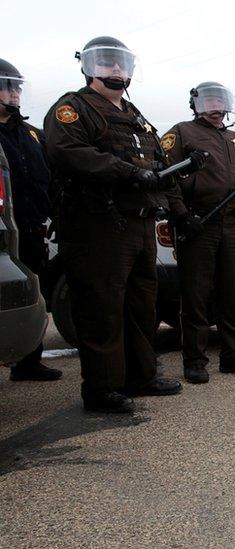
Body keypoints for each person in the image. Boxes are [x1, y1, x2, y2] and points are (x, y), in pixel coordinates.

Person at [44, 36, 185, 412]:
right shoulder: (73, 109)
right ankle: (101, 389)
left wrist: (166, 176)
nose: (116, 70)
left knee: (142, 305)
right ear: (90, 67)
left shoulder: (135, 113)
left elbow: (154, 157)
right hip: (97, 225)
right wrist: (129, 173)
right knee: (102, 306)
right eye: (107, 63)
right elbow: (69, 153)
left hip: (138, 223)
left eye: (120, 63)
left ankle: (141, 375)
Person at [163, 81, 235, 384]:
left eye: (219, 103)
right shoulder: (182, 132)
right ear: (196, 104)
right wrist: (181, 215)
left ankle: (232, 354)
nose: (215, 109)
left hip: (232, 225)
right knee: (196, 295)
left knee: (230, 293)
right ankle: (194, 360)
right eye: (208, 103)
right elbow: (168, 179)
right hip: (199, 224)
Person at [0, 58, 61, 381]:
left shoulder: (32, 135)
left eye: (16, 87)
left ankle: (29, 360)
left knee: (32, 291)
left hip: (32, 229)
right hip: (2, 229)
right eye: (6, 86)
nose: (13, 94)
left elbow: (50, 179)